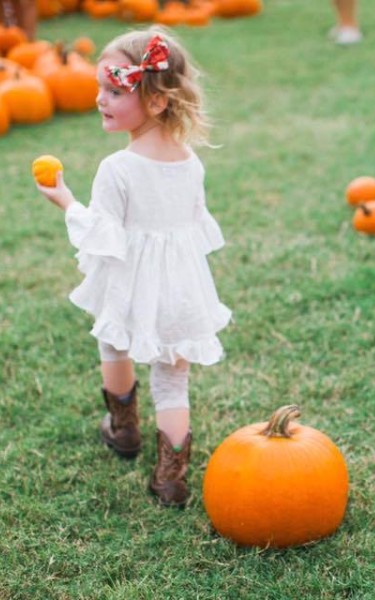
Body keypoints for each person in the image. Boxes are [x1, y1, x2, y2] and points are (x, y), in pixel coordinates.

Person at [36, 27, 231, 508]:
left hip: (130, 280)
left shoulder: (117, 168)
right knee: (173, 376)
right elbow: (192, 228)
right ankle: (171, 478)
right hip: (182, 286)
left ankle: (124, 430)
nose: (101, 99)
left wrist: (65, 200)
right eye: (101, 88)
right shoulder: (189, 162)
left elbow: (104, 233)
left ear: (158, 101)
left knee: (113, 341)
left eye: (115, 91)